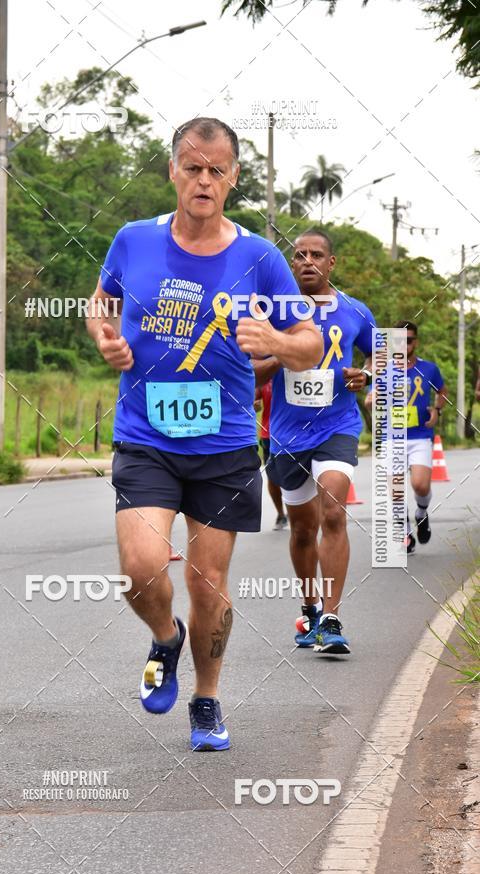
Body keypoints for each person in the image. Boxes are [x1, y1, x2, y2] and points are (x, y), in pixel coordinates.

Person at [86, 117, 322, 751]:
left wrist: (275, 340)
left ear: (234, 179)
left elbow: (312, 341)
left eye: (217, 170)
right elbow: (101, 302)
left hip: (224, 447)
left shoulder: (259, 258)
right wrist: (104, 336)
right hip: (145, 436)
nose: (204, 180)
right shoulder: (133, 241)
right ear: (172, 171)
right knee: (140, 567)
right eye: (193, 167)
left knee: (206, 583)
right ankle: (166, 638)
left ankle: (207, 698)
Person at [254, 229, 376, 655]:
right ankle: (310, 609)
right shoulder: (272, 312)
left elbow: (380, 352)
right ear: (292, 264)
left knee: (334, 513)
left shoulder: (356, 311)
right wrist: (283, 352)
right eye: (299, 255)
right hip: (287, 434)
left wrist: (369, 375)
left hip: (337, 426)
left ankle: (332, 618)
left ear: (331, 263)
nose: (307, 261)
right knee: (303, 530)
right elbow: (251, 373)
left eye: (316, 255)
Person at [365, 320, 447, 554]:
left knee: (420, 486)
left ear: (415, 342)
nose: (404, 344)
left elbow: (442, 392)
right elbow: (371, 400)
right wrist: (371, 402)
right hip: (393, 438)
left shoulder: (429, 369)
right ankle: (405, 534)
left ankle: (421, 514)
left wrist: (437, 409)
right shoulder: (383, 370)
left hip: (420, 435)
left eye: (408, 340)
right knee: (396, 490)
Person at [256, 379, 288, 530]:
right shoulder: (264, 376)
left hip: (295, 433)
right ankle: (281, 514)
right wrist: (254, 404)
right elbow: (253, 401)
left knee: (299, 474)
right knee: (273, 476)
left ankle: (301, 511)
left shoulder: (294, 369)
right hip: (269, 435)